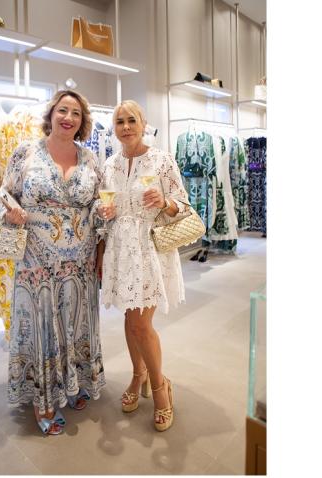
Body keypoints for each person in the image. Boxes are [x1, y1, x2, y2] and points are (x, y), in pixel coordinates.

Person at [0, 90, 105, 435]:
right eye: (62, 110)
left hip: (80, 263)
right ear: (51, 114)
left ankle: (75, 382)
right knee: (43, 327)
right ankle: (42, 398)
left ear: (82, 122)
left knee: (76, 323)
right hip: (36, 262)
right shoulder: (25, 152)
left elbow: (97, 204)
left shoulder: (91, 159)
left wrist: (104, 215)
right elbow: (4, 193)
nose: (68, 118)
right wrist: (10, 212)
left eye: (76, 113)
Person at [96, 100, 188, 431]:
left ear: (143, 123)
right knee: (129, 316)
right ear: (114, 128)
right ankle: (139, 375)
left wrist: (165, 202)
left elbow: (184, 204)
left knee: (140, 323)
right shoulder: (109, 165)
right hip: (120, 251)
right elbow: (104, 207)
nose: (125, 127)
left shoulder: (162, 160)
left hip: (149, 250)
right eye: (119, 121)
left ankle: (160, 387)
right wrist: (104, 214)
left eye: (131, 120)